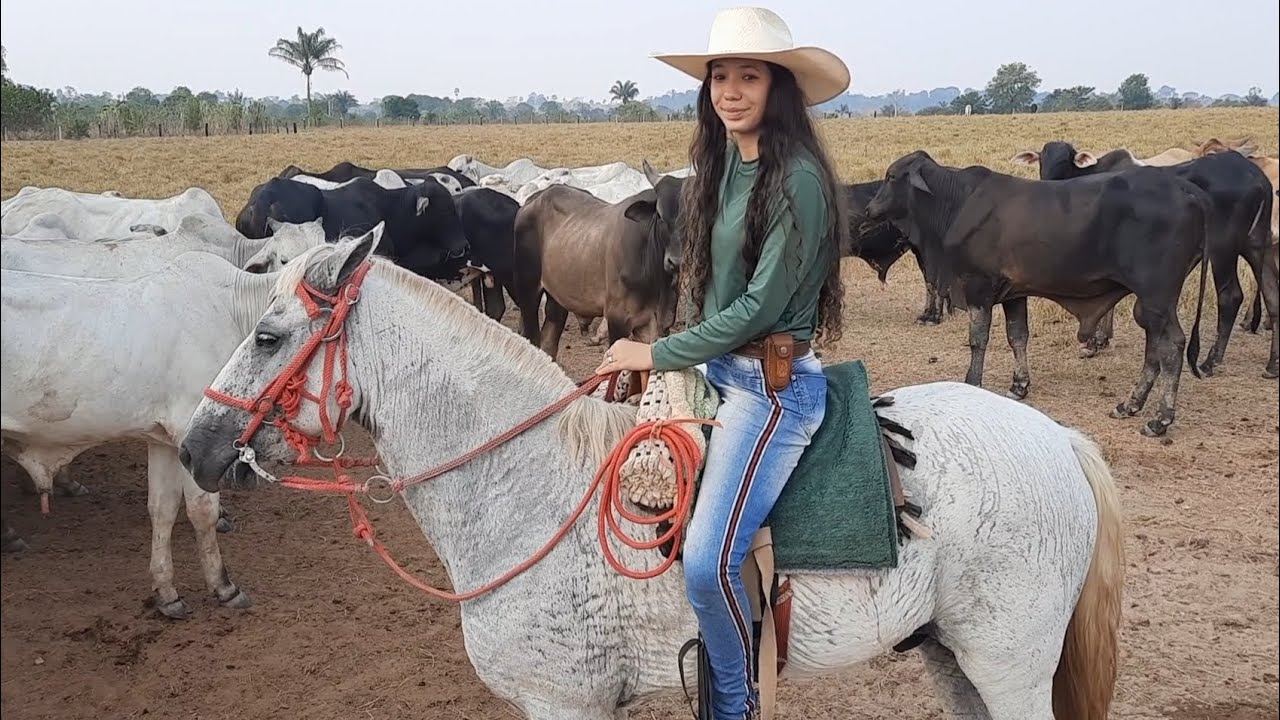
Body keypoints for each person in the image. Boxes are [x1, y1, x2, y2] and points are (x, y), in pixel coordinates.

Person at [592, 7, 851, 719]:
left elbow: (763, 307)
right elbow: (707, 292)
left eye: (749, 76)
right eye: (719, 77)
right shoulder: (721, 168)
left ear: (779, 88)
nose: (731, 91)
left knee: (707, 563)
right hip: (718, 375)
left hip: (772, 392)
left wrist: (657, 350)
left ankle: (734, 704)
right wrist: (681, 364)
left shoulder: (795, 178)